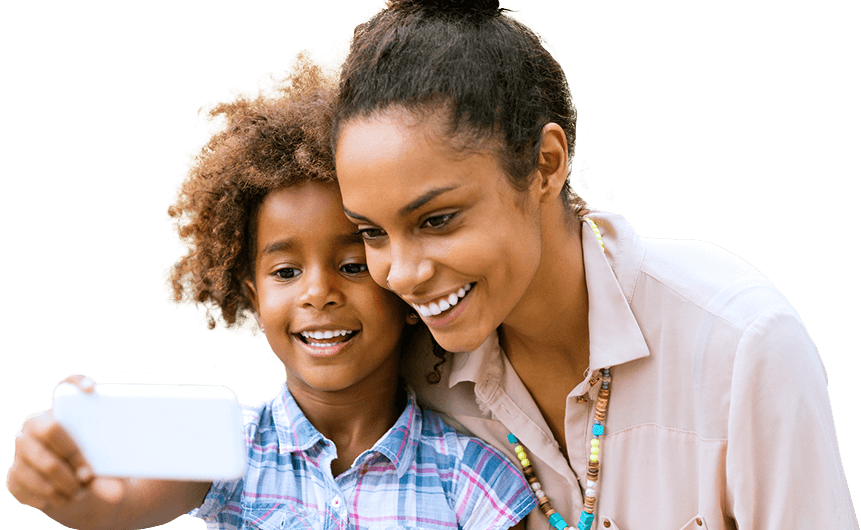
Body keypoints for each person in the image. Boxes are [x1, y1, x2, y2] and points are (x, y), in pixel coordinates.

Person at [330, 1, 857, 529]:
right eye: (372, 233)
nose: (402, 274)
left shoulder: (739, 347)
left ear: (546, 164)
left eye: (437, 220)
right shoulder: (413, 378)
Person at [6, 50, 536, 530]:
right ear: (252, 294)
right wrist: (54, 474)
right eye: (285, 272)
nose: (318, 292)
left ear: (398, 287)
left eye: (352, 265)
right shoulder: (225, 446)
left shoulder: (469, 478)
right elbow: (112, 503)